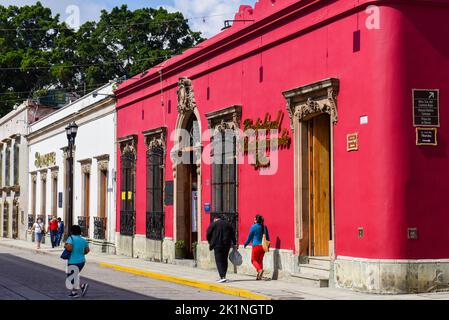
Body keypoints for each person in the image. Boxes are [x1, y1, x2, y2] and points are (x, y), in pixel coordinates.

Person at [206, 214, 237, 283]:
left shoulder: (214, 224)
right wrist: (234, 243)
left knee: (219, 260)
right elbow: (233, 234)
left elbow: (208, 234)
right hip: (226, 245)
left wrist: (210, 241)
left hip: (217, 245)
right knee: (224, 260)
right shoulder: (228, 224)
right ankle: (224, 276)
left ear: (216, 219)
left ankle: (222, 276)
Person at [64, 225, 90, 298]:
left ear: (72, 231)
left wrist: (65, 246)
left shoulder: (71, 238)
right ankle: (74, 292)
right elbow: (87, 250)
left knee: (70, 277)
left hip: (73, 261)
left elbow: (69, 248)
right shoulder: (83, 240)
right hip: (82, 261)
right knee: (74, 276)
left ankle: (82, 286)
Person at [244, 214, 270, 280]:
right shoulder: (264, 227)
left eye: (254, 219)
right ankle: (259, 276)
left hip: (256, 246)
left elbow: (250, 236)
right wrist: (268, 246)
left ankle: (259, 270)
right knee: (260, 260)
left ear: (256, 220)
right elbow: (268, 238)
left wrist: (246, 243)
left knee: (253, 260)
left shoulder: (254, 226)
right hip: (263, 246)